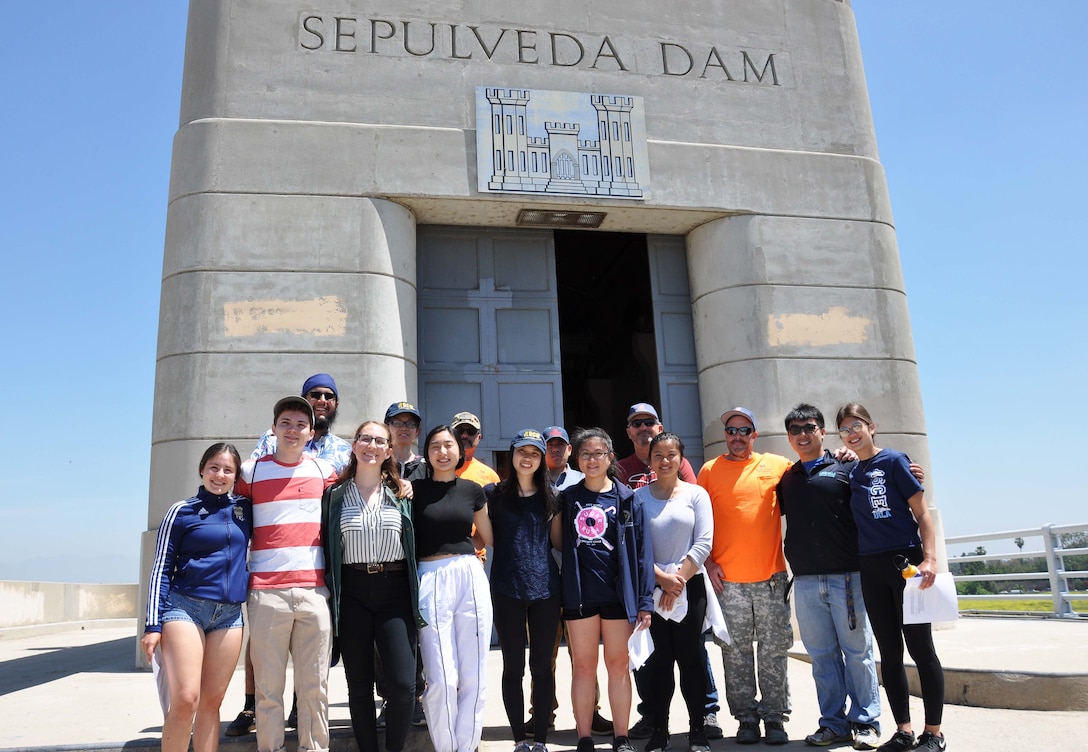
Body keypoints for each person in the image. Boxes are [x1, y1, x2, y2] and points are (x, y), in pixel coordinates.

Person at [227, 372, 352, 737]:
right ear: (274, 428)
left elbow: (364, 482)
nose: (293, 429)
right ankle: (265, 736)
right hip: (267, 589)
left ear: (311, 431)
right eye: (286, 423)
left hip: (315, 587)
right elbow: (229, 500)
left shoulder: (331, 465)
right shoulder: (252, 469)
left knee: (315, 686)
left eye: (301, 424)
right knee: (269, 687)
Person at [835, 404, 946, 752]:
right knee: (889, 651)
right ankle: (903, 731)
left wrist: (929, 558)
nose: (852, 434)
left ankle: (934, 734)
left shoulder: (896, 461)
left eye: (857, 426)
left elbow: (922, 513)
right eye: (844, 430)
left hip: (907, 564)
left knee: (921, 648)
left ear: (872, 426)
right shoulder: (851, 471)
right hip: (870, 567)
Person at [778, 404, 883, 750]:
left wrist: (912, 473)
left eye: (809, 427)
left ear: (823, 432)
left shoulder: (847, 467)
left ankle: (866, 722)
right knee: (822, 657)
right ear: (789, 437)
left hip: (847, 577)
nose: (802, 435)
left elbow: (881, 480)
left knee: (858, 653)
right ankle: (834, 724)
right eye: (795, 429)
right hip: (806, 581)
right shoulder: (787, 479)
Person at [619, 403, 719, 741]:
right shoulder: (636, 498)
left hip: (691, 588)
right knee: (658, 666)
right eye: (658, 455)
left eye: (671, 454)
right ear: (650, 460)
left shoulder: (696, 494)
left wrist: (679, 580)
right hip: (653, 590)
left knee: (691, 661)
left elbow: (704, 543)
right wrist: (662, 581)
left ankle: (697, 734)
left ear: (681, 459)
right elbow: (632, 547)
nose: (664, 460)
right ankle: (659, 734)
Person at [141, 443, 251, 752]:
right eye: (214, 467)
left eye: (228, 470)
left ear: (236, 476)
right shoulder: (182, 511)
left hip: (229, 615)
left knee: (211, 703)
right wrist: (152, 625)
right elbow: (161, 568)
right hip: (184, 608)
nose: (220, 475)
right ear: (202, 469)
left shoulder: (245, 509)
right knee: (187, 699)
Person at [323, 420, 424, 752]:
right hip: (352, 591)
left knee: (402, 683)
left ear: (389, 451)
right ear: (354, 446)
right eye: (365, 439)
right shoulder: (334, 496)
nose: (372, 446)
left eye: (380, 441)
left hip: (394, 588)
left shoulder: (401, 493)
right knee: (359, 683)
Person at [698, 407, 793, 746]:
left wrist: (844, 455)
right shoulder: (709, 471)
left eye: (744, 430)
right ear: (726, 436)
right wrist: (707, 563)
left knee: (773, 650)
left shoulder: (777, 466)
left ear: (755, 435)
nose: (737, 437)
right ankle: (745, 719)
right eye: (731, 431)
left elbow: (813, 473)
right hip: (728, 583)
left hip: (771, 579)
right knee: (734, 652)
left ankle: (775, 717)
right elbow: (700, 522)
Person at [557, 428, 654, 752]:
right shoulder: (568, 499)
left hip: (618, 596)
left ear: (610, 457)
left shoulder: (627, 499)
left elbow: (642, 553)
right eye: (585, 453)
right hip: (580, 596)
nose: (592, 459)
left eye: (599, 453)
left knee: (618, 666)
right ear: (577, 458)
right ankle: (584, 737)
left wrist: (643, 601)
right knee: (583, 667)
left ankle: (621, 737)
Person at [412, 424, 495, 752]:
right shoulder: (414, 489)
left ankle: (467, 746)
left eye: (449, 445)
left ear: (460, 451)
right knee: (442, 677)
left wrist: (461, 549)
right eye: (435, 446)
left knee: (473, 674)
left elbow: (486, 536)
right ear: (427, 453)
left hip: (468, 575)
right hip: (429, 578)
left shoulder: (473, 489)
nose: (443, 452)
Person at [527, 426, 612, 738]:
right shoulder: (531, 480)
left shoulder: (582, 481)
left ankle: (591, 712)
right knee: (543, 652)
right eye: (549, 445)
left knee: (583, 653)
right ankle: (542, 713)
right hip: (543, 579)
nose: (555, 450)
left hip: (579, 579)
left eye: (560, 445)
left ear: (569, 451)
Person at [487, 429, 563, 752]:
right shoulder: (493, 494)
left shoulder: (552, 497)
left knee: (542, 667)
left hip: (546, 588)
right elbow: (483, 536)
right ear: (512, 454)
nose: (527, 457)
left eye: (535, 452)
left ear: (542, 459)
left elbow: (557, 542)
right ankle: (519, 739)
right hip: (507, 588)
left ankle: (541, 741)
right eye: (522, 451)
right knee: (513, 667)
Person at [616, 403, 698, 489]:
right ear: (629, 433)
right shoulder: (620, 469)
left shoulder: (678, 463)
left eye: (649, 423)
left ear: (660, 429)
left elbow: (692, 495)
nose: (643, 427)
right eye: (637, 423)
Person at [451, 411, 501, 486]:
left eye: (471, 431)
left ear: (479, 437)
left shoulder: (490, 476)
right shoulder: (440, 468)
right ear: (450, 435)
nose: (464, 435)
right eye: (459, 431)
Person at [386, 401, 424, 477]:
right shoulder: (378, 463)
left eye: (411, 424)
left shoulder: (425, 467)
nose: (404, 428)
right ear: (387, 427)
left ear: (417, 431)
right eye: (397, 423)